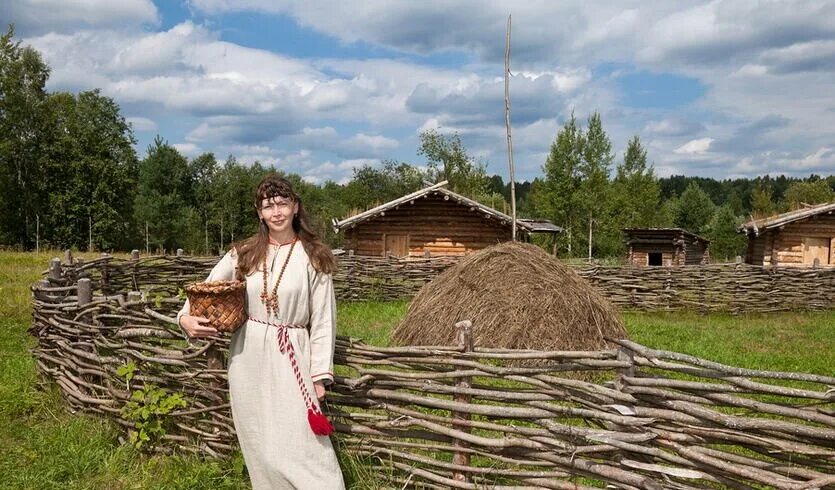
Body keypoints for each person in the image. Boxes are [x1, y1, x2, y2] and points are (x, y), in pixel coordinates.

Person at [178, 175, 345, 489]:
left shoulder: (314, 256)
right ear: (259, 212)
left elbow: (323, 319)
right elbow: (206, 288)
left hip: (293, 351)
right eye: (269, 206)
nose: (277, 212)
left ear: (295, 207)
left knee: (303, 440)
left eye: (283, 203)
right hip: (248, 354)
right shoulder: (244, 252)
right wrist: (184, 318)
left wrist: (319, 375)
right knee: (260, 440)